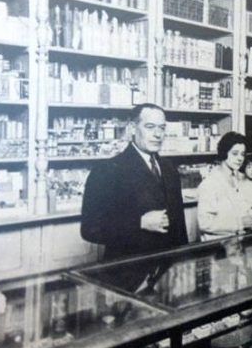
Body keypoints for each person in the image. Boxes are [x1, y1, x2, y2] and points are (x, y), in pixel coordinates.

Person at [80, 103, 188, 261]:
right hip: (128, 267)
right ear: (132, 129)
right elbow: (90, 229)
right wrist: (139, 223)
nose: (158, 134)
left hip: (168, 265)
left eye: (162, 128)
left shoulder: (169, 168)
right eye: (150, 127)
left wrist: (184, 260)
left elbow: (179, 224)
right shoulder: (107, 170)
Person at [197, 132, 252, 241]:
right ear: (224, 153)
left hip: (235, 242)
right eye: (235, 153)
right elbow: (204, 223)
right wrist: (240, 223)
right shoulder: (210, 183)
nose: (240, 158)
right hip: (217, 245)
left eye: (242, 154)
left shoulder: (235, 179)